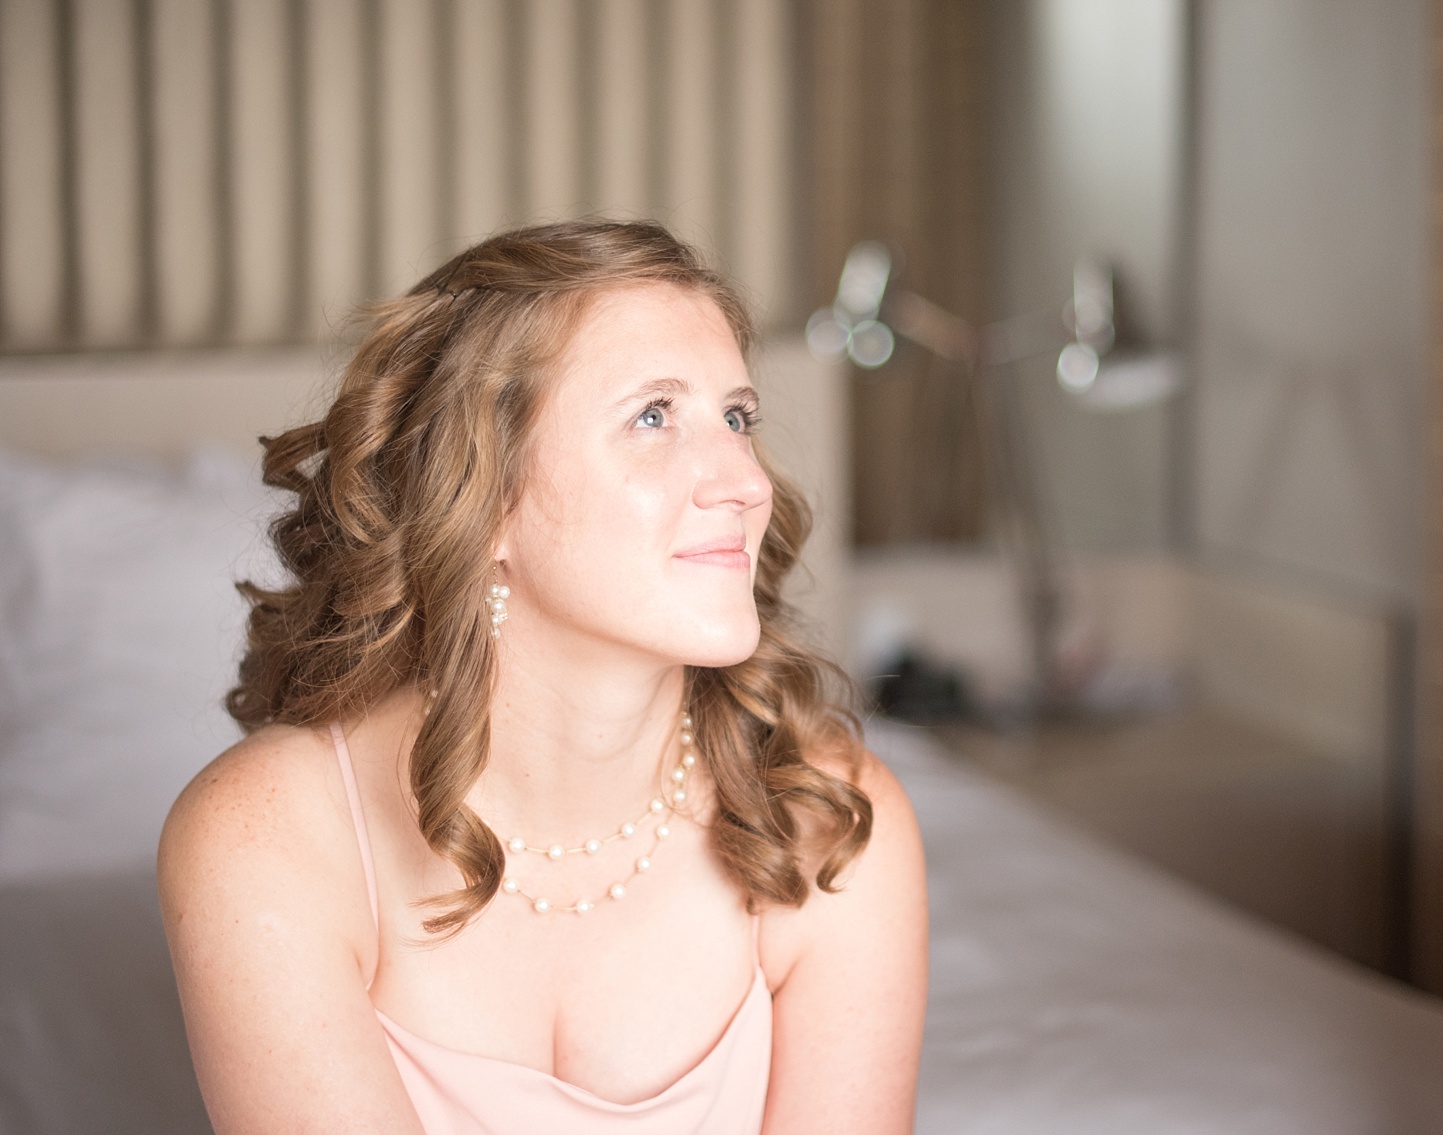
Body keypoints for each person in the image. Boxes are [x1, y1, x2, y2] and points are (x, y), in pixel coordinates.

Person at [157, 220, 929, 1134]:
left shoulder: (830, 822)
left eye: (736, 417)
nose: (747, 482)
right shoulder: (265, 838)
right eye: (653, 415)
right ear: (480, 502)